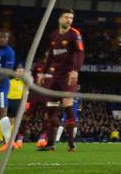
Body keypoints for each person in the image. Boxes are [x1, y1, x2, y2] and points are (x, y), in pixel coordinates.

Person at [35, 8, 84, 152]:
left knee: (68, 106)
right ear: (60, 19)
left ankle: (71, 144)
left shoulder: (74, 34)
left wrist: (75, 70)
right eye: (66, 17)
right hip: (55, 76)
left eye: (71, 18)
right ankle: (50, 144)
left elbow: (80, 52)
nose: (69, 20)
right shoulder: (54, 35)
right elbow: (50, 55)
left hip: (68, 75)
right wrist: (43, 73)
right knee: (51, 109)